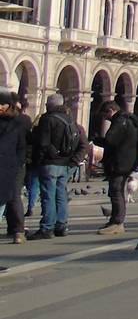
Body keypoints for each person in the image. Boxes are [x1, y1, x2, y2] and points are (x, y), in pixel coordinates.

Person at [29, 94, 81, 239]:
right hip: (64, 163)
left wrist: (40, 158)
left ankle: (47, 227)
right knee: (61, 195)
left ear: (49, 105)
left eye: (46, 104)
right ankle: (61, 225)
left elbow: (43, 142)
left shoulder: (48, 119)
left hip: (49, 163)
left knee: (48, 196)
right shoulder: (69, 119)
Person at [94, 99, 138, 236]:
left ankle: (118, 223)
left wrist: (98, 140)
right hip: (126, 161)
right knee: (117, 191)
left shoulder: (120, 121)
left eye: (105, 115)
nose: (105, 119)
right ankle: (114, 220)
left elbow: (110, 139)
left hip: (120, 162)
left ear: (110, 110)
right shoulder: (128, 120)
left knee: (116, 192)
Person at [0, 87, 27, 244]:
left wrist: (17, 163)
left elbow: (21, 146)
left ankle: (18, 230)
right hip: (9, 167)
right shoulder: (19, 122)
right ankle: (17, 230)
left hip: (10, 168)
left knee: (13, 197)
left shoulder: (18, 123)